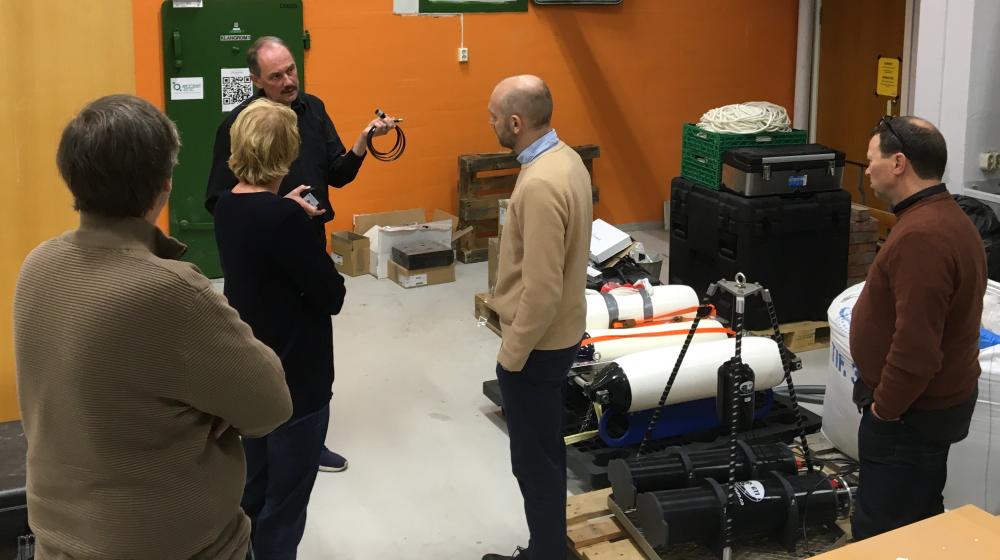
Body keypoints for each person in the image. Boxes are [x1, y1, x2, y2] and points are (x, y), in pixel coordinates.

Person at [13, 94, 292, 559]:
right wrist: (215, 411)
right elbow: (271, 405)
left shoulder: (37, 265)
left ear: (72, 178)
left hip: (57, 544)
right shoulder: (172, 292)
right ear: (164, 185)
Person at [206, 35, 393, 473]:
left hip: (306, 242)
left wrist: (364, 140)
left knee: (307, 347)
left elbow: (338, 174)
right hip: (264, 257)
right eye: (276, 76)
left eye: (291, 70)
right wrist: (275, 210)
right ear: (256, 80)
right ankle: (263, 443)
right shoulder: (238, 125)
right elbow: (219, 198)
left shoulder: (314, 110)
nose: (289, 81)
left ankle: (307, 442)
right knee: (266, 349)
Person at [213, 98, 347, 559]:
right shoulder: (286, 219)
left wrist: (283, 211)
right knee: (285, 505)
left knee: (254, 489)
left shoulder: (228, 207)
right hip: (297, 380)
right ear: (288, 152)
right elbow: (332, 296)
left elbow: (260, 233)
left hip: (252, 373)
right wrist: (303, 230)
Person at [850, 116, 987, 539]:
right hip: (923, 410)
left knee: (883, 533)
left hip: (908, 417)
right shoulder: (943, 217)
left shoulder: (922, 235)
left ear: (898, 163)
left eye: (872, 160)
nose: (867, 170)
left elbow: (916, 347)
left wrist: (884, 411)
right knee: (919, 517)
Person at [483, 75, 593, 560]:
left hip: (539, 345)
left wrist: (511, 355)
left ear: (515, 122)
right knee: (545, 449)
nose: (489, 124)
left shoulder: (541, 184)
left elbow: (543, 290)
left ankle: (547, 553)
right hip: (561, 333)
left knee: (534, 460)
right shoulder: (566, 160)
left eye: (493, 117)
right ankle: (547, 546)